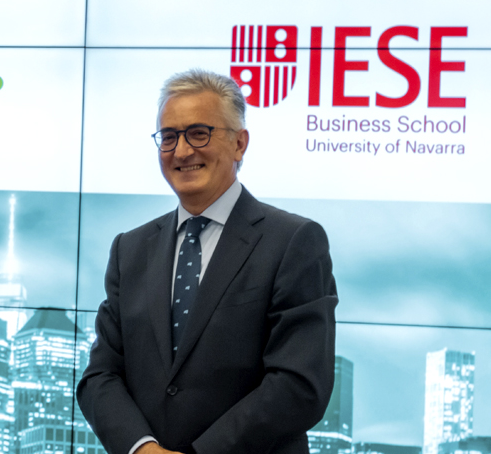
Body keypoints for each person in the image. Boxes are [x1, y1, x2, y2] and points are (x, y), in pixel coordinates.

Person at [76, 69, 337, 454]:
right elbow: (100, 375)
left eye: (199, 133)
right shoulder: (129, 250)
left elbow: (300, 384)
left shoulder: (294, 241)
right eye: (169, 136)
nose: (182, 151)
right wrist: (142, 448)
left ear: (239, 143)